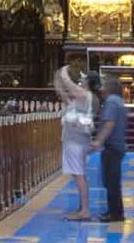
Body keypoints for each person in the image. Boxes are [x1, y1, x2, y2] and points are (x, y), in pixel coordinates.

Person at [54, 66, 99, 220]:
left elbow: (69, 86)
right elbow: (64, 96)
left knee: (79, 174)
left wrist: (64, 73)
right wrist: (58, 82)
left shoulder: (86, 95)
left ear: (88, 82)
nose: (81, 81)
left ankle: (85, 210)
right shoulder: (81, 97)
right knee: (77, 173)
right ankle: (82, 207)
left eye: (83, 79)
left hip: (77, 140)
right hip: (73, 138)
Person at [91, 73, 128, 222]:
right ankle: (114, 211)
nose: (101, 89)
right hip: (117, 146)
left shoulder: (112, 101)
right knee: (112, 181)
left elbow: (109, 123)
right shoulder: (118, 100)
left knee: (111, 181)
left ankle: (115, 213)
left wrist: (98, 141)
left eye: (104, 86)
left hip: (112, 147)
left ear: (109, 88)